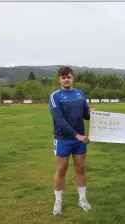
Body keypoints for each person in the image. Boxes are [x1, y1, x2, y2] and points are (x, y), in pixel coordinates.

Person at [48, 66, 93, 215]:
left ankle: (82, 198)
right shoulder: (55, 96)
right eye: (63, 77)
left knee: (80, 168)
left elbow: (86, 115)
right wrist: (77, 135)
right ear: (59, 80)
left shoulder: (80, 94)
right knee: (61, 170)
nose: (66, 80)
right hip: (63, 139)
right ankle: (58, 201)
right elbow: (59, 120)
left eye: (68, 77)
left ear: (73, 78)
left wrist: (93, 113)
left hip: (79, 140)